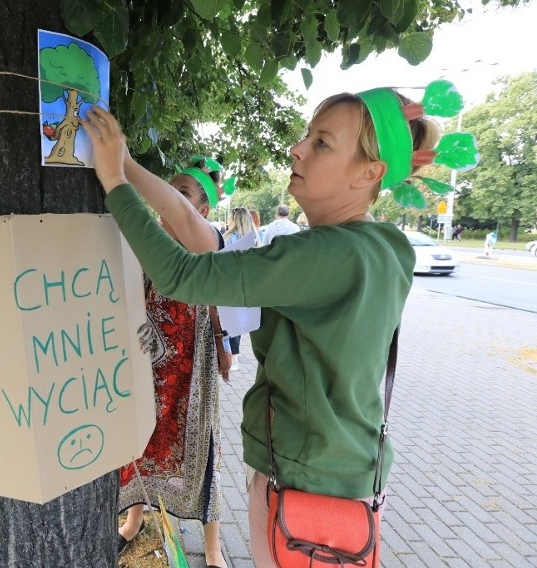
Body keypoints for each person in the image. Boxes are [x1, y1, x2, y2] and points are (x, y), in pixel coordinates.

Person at [84, 85, 441, 566]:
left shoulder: (323, 253)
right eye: (306, 136)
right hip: (344, 475)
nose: (297, 148)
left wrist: (113, 181)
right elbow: (195, 230)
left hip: (304, 486)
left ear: (369, 173)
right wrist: (124, 162)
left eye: (322, 143)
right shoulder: (380, 247)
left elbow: (181, 273)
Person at [109, 155, 230, 568]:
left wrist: (223, 344)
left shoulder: (207, 242)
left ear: (202, 210)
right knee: (140, 441)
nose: (166, 201)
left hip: (192, 365)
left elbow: (219, 302)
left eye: (180, 194)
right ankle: (134, 520)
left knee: (203, 444)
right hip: (146, 362)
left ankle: (212, 548)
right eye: (167, 190)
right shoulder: (145, 239)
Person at [223, 207, 257, 371]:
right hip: (247, 286)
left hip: (229, 286)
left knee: (227, 322)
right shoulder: (256, 237)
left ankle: (227, 356)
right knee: (239, 323)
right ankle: (234, 359)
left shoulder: (229, 237)